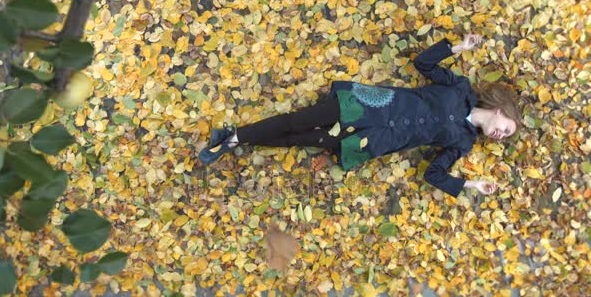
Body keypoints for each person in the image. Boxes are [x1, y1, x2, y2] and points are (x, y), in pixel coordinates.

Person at [198, 35, 521, 198]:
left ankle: (234, 138)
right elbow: (423, 64)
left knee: (301, 139)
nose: (501, 135)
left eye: (505, 137)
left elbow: (433, 175)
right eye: (506, 129)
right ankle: (234, 136)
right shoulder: (459, 88)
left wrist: (469, 184)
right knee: (296, 121)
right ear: (499, 110)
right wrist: (458, 48)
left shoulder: (463, 143)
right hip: (369, 105)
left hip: (374, 139)